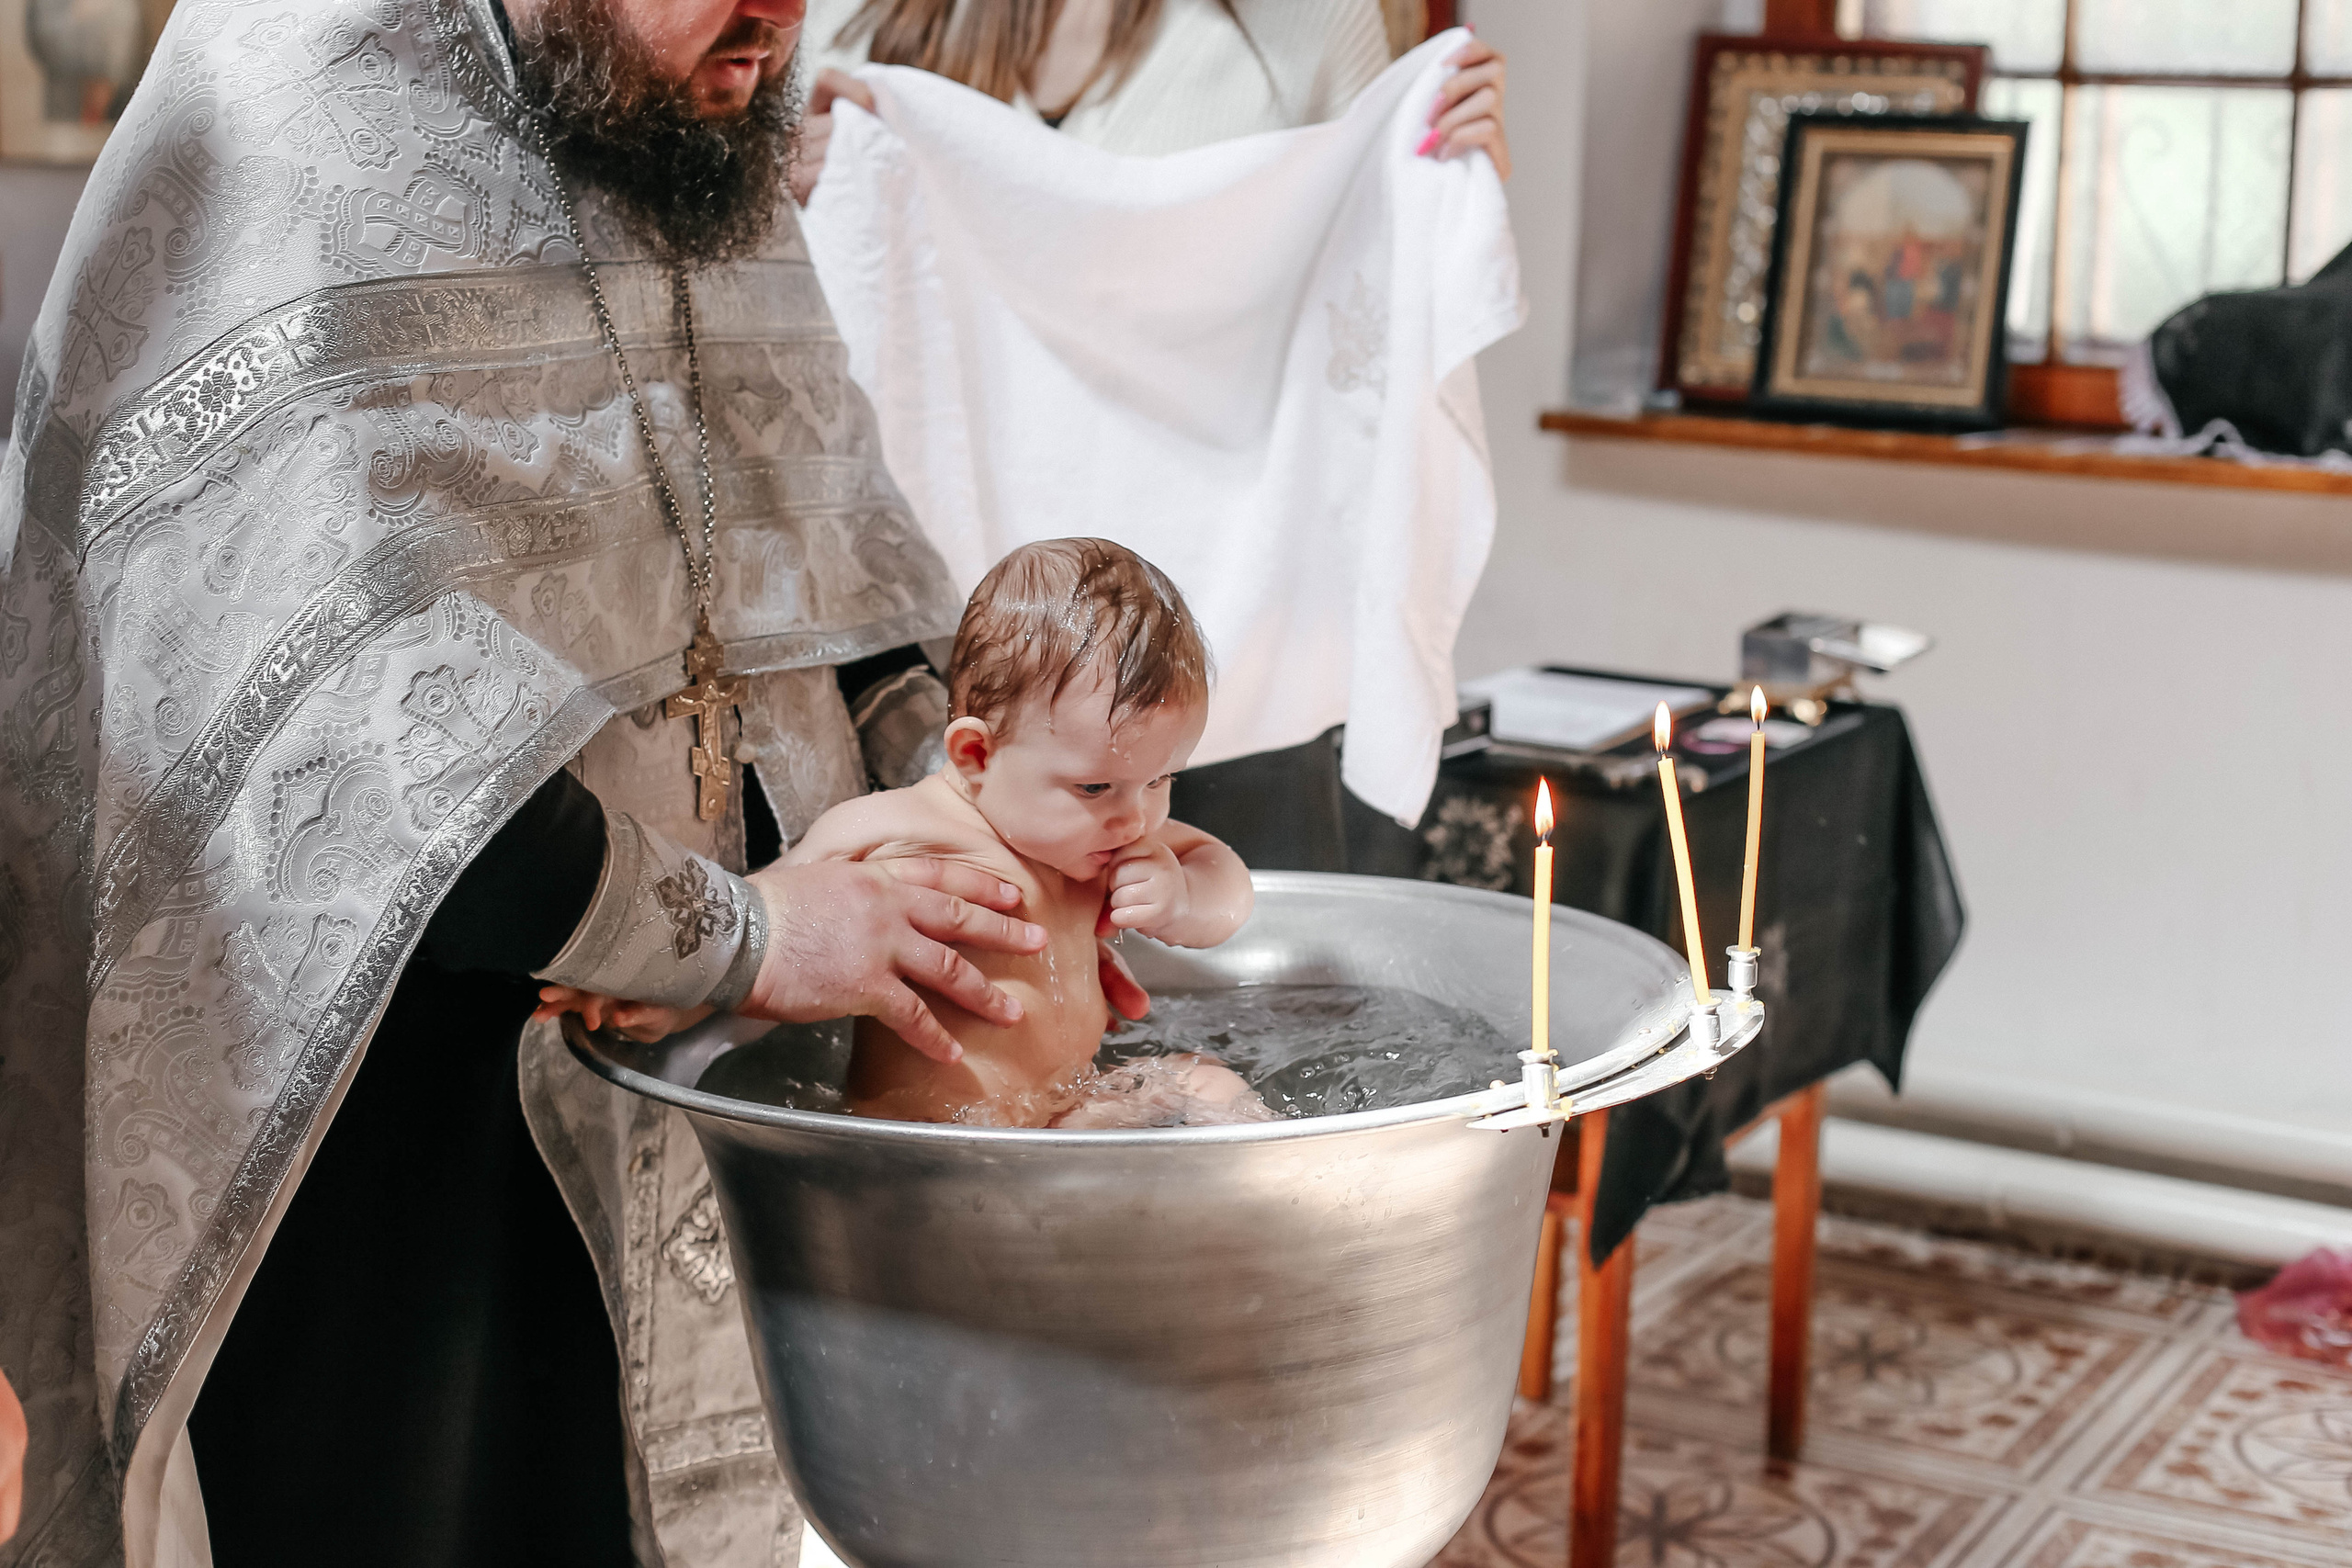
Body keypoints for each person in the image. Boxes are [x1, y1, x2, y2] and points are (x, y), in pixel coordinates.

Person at [0, 0, 1121, 1563]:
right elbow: (349, 709)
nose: (778, 22)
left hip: (703, 1088)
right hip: (399, 1118)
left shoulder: (685, 117)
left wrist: (988, 795)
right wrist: (738, 934)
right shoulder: (299, 103)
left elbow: (834, 549)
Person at [546, 538, 1269, 1130]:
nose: (1137, 815)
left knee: (1208, 1083)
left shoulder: (1104, 832)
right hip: (927, 1139)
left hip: (1062, 1110)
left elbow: (1227, 881)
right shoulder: (897, 829)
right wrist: (675, 994)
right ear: (975, 755)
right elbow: (771, 925)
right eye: (1095, 786)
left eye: (1162, 779)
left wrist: (1182, 899)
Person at [790, 0, 1510, 196]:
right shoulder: (847, 20)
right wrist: (782, 192)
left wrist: (1452, 183)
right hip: (923, 533)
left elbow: (1376, 300)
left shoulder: (1311, 22)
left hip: (1187, 542)